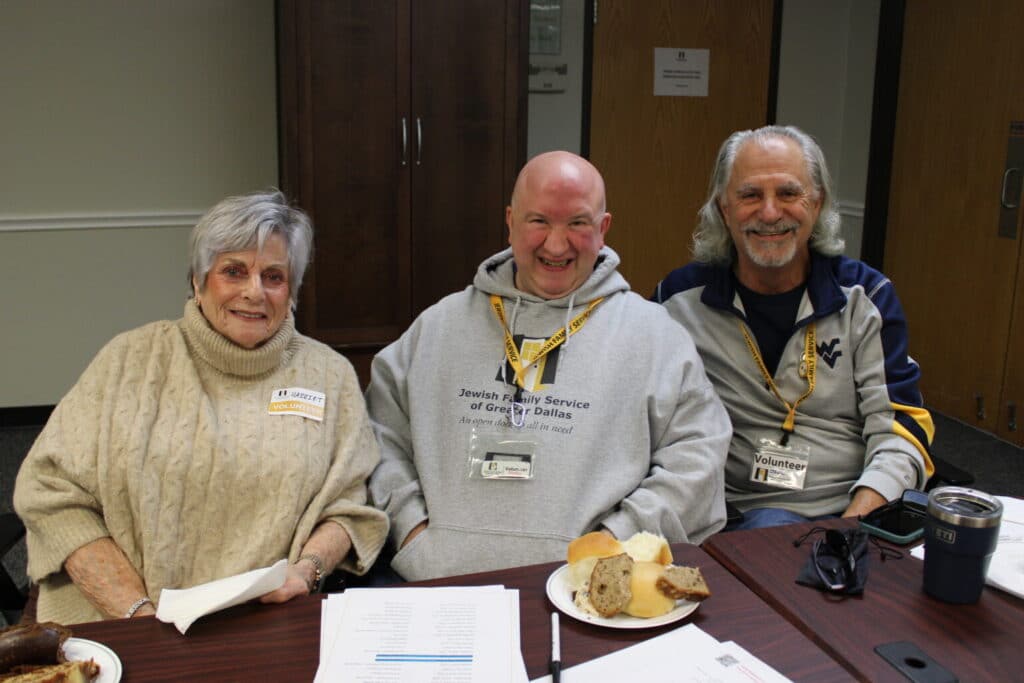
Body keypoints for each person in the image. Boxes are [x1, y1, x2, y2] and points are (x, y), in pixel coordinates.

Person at [14, 190, 388, 624]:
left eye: (273, 276)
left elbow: (348, 503)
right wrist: (136, 615)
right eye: (233, 271)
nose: (254, 292)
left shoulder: (331, 375)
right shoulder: (129, 360)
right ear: (197, 279)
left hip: (271, 623)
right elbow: (49, 492)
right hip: (121, 623)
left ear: (292, 290)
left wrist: (306, 573)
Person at [366, 151, 730, 581]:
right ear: (510, 221)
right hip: (439, 588)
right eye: (539, 221)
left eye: (577, 223)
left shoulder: (655, 335)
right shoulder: (438, 326)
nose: (556, 245)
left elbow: (698, 455)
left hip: (588, 594)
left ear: (603, 229)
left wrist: (617, 543)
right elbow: (378, 434)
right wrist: (411, 530)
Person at [652, 125, 934, 529]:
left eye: (788, 193)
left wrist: (851, 528)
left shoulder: (865, 298)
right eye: (750, 195)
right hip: (730, 512)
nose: (769, 213)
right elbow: (637, 413)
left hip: (851, 508)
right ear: (724, 209)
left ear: (816, 204)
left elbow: (902, 428)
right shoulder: (678, 301)